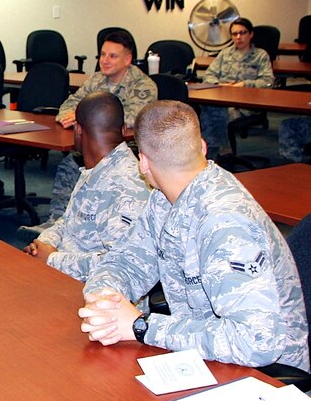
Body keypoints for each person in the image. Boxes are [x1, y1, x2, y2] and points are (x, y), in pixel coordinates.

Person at [78, 100, 309, 372]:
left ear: (143, 163)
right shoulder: (163, 200)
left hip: (265, 374)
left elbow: (258, 343)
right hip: (204, 354)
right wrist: (105, 298)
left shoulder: (226, 223)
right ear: (201, 146)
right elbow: (125, 262)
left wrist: (142, 326)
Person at [19, 30, 155, 241]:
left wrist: (86, 117)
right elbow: (69, 105)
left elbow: (130, 119)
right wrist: (70, 115)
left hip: (127, 149)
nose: (105, 60)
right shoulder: (96, 80)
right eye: (102, 55)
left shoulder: (143, 85)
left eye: (112, 56)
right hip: (94, 144)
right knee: (70, 163)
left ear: (127, 59)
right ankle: (56, 221)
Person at [23, 92, 150, 282]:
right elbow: (67, 222)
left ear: (78, 130)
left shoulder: (128, 185)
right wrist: (44, 243)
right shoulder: (97, 168)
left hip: (102, 296)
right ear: (123, 130)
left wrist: (52, 259)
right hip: (65, 275)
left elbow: (124, 266)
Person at [199, 17, 275, 161]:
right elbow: (208, 76)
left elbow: (268, 82)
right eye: (234, 34)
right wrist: (221, 85)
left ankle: (218, 151)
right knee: (205, 109)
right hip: (223, 100)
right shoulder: (225, 53)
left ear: (251, 34)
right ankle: (216, 150)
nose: (238, 37)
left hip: (246, 106)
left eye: (242, 33)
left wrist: (244, 84)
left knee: (213, 112)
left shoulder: (260, 55)